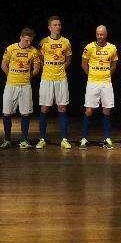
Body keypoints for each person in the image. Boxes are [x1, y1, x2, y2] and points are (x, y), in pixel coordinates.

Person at [36, 15, 73, 149]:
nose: (58, 27)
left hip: (61, 79)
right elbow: (39, 59)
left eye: (59, 25)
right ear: (49, 27)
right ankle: (42, 139)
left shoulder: (66, 42)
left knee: (62, 108)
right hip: (47, 79)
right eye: (55, 25)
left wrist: (61, 68)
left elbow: (68, 59)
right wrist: (47, 68)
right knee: (45, 108)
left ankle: (64, 139)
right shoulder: (43, 42)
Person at [1, 28, 41, 148]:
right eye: (26, 40)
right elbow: (3, 65)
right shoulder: (11, 48)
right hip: (11, 85)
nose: (28, 43)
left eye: (30, 41)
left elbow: (37, 68)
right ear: (21, 37)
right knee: (7, 112)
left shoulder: (33, 51)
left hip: (25, 86)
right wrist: (11, 76)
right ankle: (7, 139)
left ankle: (24, 140)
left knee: (25, 113)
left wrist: (28, 76)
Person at [80, 25, 118, 149]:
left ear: (106, 34)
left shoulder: (112, 48)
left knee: (107, 110)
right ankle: (84, 138)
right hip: (93, 82)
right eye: (98, 34)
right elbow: (84, 64)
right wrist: (92, 75)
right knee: (89, 110)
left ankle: (107, 138)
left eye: (102, 34)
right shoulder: (89, 47)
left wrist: (106, 75)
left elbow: (114, 65)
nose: (100, 36)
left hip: (106, 83)